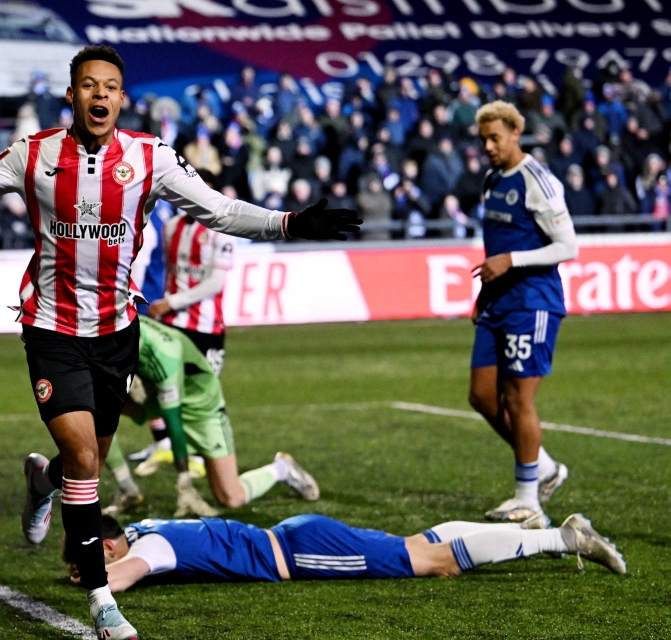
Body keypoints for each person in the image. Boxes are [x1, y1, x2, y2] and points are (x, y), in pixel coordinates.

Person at [0, 45, 360, 640]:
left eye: (110, 87)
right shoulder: (33, 155)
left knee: (81, 464)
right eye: (88, 85)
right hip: (52, 330)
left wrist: (290, 224)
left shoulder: (149, 158)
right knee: (87, 462)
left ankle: (43, 482)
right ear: (71, 95)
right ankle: (101, 600)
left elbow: (218, 211)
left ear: (121, 98)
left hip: (117, 335)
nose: (99, 95)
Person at [468, 101, 577, 523]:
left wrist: (510, 261)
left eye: (496, 138)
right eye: (484, 141)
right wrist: (485, 291)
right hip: (499, 300)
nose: (489, 147)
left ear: (516, 132)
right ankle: (545, 467)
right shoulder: (493, 179)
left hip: (533, 301)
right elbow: (496, 243)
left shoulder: (540, 181)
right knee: (481, 395)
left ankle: (528, 499)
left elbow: (568, 247)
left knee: (518, 398)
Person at [66, 511, 625, 592]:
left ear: (109, 544)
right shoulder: (144, 523)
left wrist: (95, 580)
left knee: (437, 562)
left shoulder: (150, 543)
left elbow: (126, 576)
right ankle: (532, 529)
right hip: (295, 536)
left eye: (91, 555)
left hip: (303, 553)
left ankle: (561, 540)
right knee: (421, 545)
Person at [104, 316, 320, 518]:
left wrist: (184, 480)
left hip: (200, 404)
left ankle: (282, 468)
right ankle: (127, 488)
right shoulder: (118, 327)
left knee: (231, 497)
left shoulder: (164, 354)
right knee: (94, 409)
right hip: (156, 393)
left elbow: (174, 421)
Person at [131, 169, 235, 471]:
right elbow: (171, 274)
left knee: (204, 391)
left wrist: (171, 302)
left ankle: (205, 454)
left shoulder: (222, 230)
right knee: (159, 385)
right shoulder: (171, 227)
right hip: (174, 324)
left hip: (206, 327)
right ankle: (167, 444)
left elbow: (215, 283)